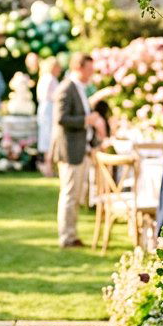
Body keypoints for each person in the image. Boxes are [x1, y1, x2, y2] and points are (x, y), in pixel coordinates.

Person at [50, 52, 102, 248]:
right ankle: (66, 237)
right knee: (69, 194)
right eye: (89, 69)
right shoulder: (66, 88)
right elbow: (61, 119)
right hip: (70, 150)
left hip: (81, 148)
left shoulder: (79, 88)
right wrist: (85, 121)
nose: (92, 73)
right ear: (78, 68)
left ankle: (72, 234)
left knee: (75, 195)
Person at [36, 56, 62, 175]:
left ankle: (49, 167)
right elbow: (47, 95)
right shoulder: (49, 78)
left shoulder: (45, 77)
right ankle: (48, 167)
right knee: (48, 137)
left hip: (46, 108)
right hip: (49, 109)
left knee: (47, 137)